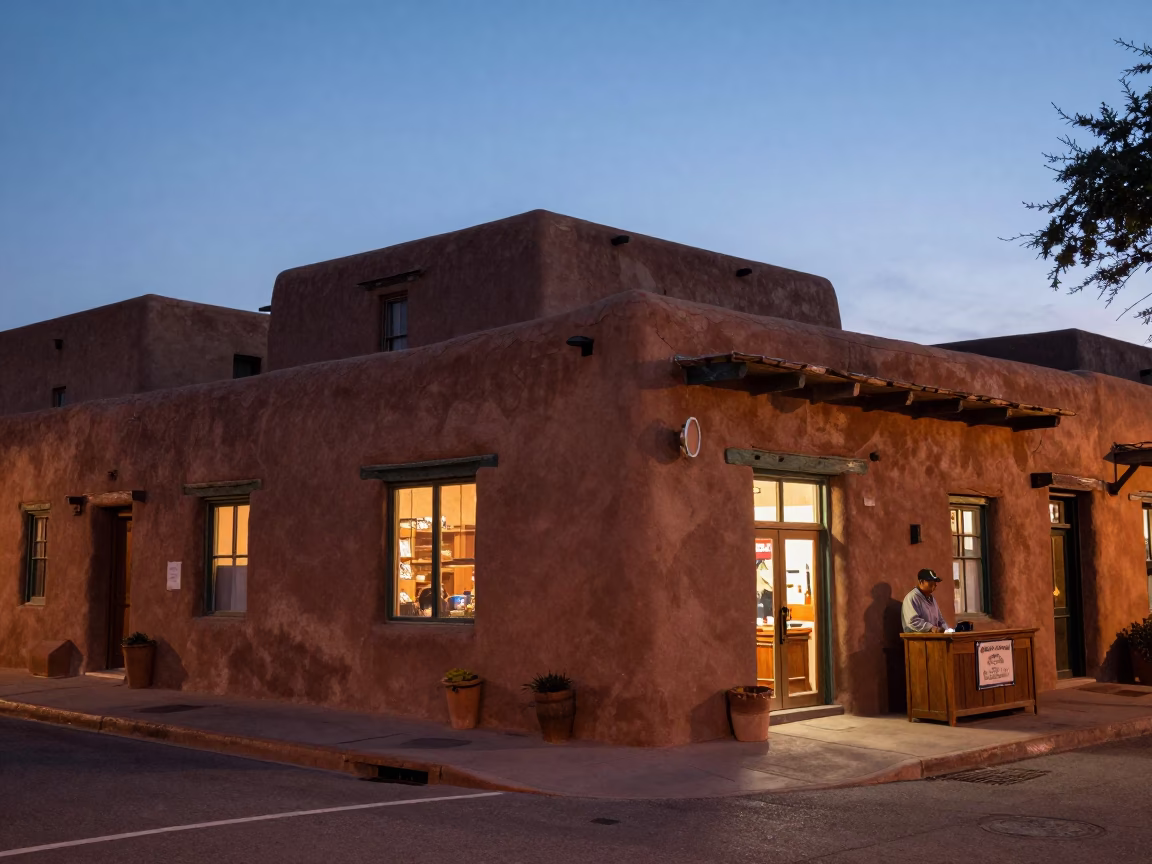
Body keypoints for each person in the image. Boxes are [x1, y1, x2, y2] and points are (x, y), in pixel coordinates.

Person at [901, 568, 949, 633]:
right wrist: (932, 628)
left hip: (934, 639)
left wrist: (947, 630)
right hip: (917, 640)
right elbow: (913, 621)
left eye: (935, 581)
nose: (934, 584)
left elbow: (940, 620)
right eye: (930, 581)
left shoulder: (932, 599)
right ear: (921, 582)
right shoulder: (912, 597)